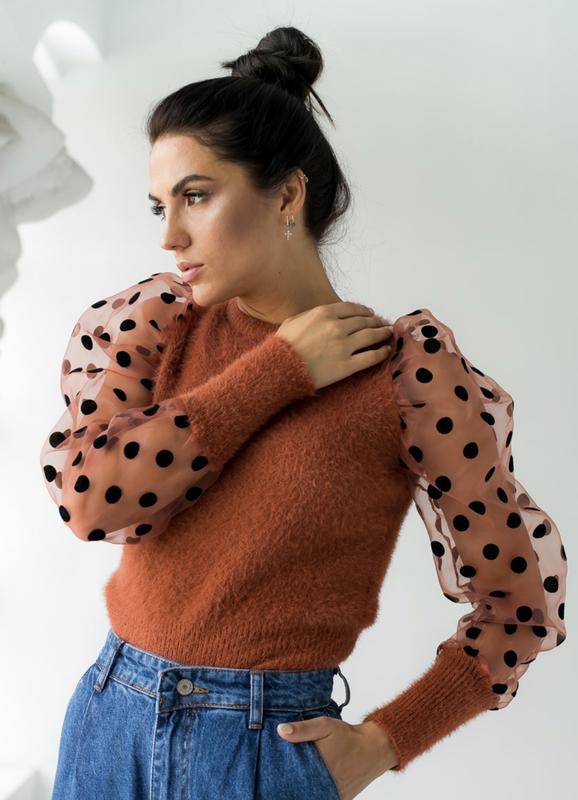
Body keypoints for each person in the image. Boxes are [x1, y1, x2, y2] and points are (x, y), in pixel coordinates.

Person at [41, 25, 567, 800]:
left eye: (195, 196)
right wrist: (278, 372)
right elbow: (90, 499)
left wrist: (385, 742)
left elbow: (520, 602)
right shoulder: (156, 324)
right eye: (160, 204)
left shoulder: (407, 376)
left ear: (287, 195)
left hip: (262, 750)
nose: (169, 235)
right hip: (108, 724)